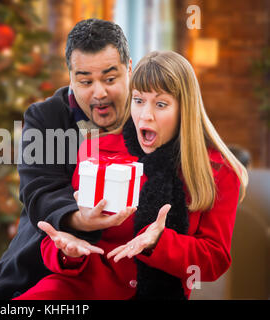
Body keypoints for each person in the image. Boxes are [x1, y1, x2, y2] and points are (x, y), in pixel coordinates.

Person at [14, 51, 249, 300]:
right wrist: (68, 252)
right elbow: (55, 239)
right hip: (78, 289)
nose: (145, 115)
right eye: (138, 100)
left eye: (160, 104)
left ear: (184, 110)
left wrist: (160, 242)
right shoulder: (98, 151)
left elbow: (214, 260)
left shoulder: (218, 171)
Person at [0, 19, 133, 299]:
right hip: (42, 264)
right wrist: (79, 219)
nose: (99, 92)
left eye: (110, 78)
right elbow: (39, 191)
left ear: (129, 69)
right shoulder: (45, 118)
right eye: (85, 81)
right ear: (70, 77)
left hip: (123, 271)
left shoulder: (148, 117)